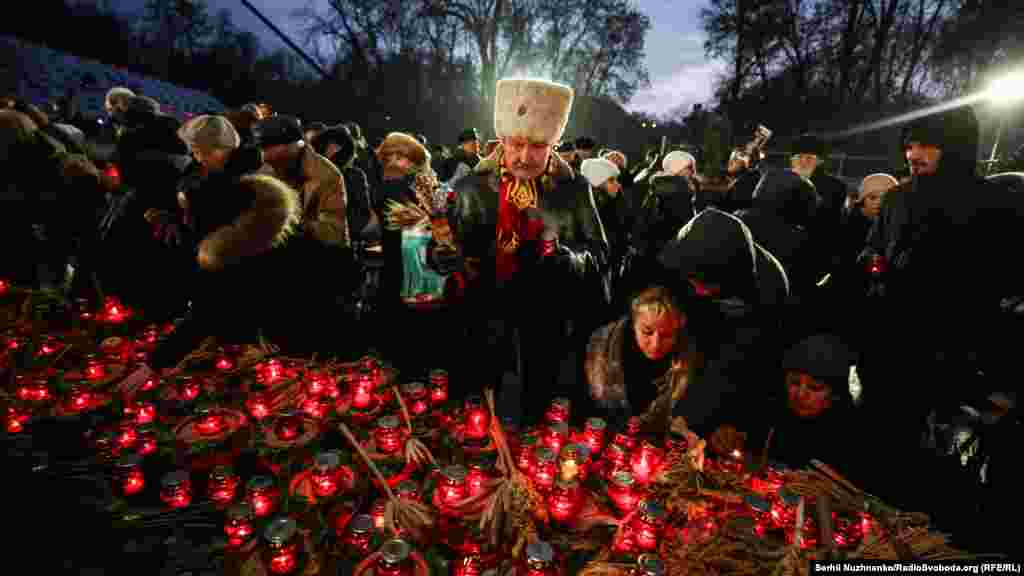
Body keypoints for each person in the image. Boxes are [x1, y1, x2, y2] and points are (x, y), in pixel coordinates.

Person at [447, 78, 609, 424]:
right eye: (516, 143)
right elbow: (452, 250)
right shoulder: (472, 187)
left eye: (536, 146)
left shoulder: (575, 189)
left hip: (551, 331)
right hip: (484, 329)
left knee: (540, 424)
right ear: (502, 140)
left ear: (553, 144)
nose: (523, 156)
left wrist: (569, 259)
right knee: (481, 426)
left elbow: (600, 253)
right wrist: (444, 258)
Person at [584, 286, 700, 434]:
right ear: (634, 325)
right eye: (647, 331)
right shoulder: (603, 346)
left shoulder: (685, 361)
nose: (656, 344)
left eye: (667, 336)